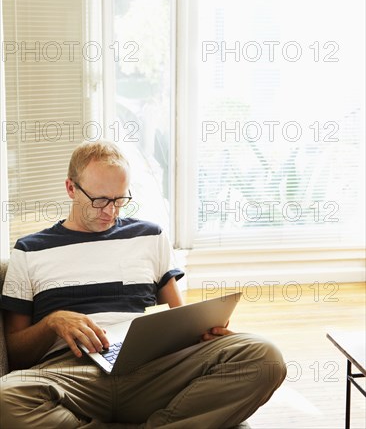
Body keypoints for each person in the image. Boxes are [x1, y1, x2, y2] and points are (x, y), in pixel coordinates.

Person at [0, 140, 286, 428]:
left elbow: (180, 318)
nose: (110, 212)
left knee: (264, 356)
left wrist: (207, 336)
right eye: (100, 200)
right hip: (71, 376)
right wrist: (52, 322)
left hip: (153, 370)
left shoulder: (149, 236)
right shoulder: (29, 250)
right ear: (71, 188)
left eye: (119, 200)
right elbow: (16, 353)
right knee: (5, 397)